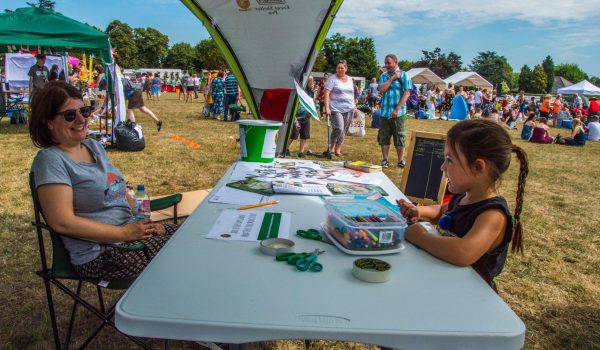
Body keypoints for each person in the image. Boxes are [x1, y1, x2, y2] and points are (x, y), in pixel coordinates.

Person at [28, 81, 176, 280]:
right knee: (187, 250)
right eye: (70, 115)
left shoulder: (93, 146)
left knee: (197, 234)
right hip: (101, 255)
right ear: (49, 122)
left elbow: (116, 191)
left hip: (131, 238)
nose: (82, 119)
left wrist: (145, 224)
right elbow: (62, 222)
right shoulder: (51, 160)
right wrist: (125, 234)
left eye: (85, 110)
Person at [398, 119, 528, 291]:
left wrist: (420, 237)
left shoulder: (493, 215)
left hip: (470, 294)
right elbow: (441, 211)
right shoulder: (462, 198)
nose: (442, 167)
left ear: (478, 167)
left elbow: (464, 252)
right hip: (445, 283)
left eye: (450, 160)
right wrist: (418, 210)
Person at [377, 54, 412, 168]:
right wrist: (392, 78)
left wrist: (397, 109)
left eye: (389, 63)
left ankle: (400, 160)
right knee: (384, 137)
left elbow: (407, 93)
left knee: (399, 136)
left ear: (395, 62)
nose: (386, 65)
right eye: (385, 63)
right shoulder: (384, 75)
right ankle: (385, 160)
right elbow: (381, 89)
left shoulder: (404, 75)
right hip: (385, 112)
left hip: (399, 112)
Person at [324, 60, 355, 157]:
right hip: (336, 108)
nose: (340, 69)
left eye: (342, 68)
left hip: (349, 108)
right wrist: (327, 108)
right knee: (339, 128)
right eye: (338, 68)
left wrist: (355, 106)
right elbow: (327, 93)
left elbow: (352, 94)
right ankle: (330, 147)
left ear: (346, 69)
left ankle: (338, 149)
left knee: (344, 130)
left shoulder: (350, 79)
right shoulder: (332, 79)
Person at [287, 77, 315, 158]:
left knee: (305, 135)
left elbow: (312, 100)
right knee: (294, 134)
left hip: (306, 115)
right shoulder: (297, 90)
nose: (311, 83)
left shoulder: (310, 91)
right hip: (296, 116)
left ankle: (301, 152)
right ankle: (285, 148)